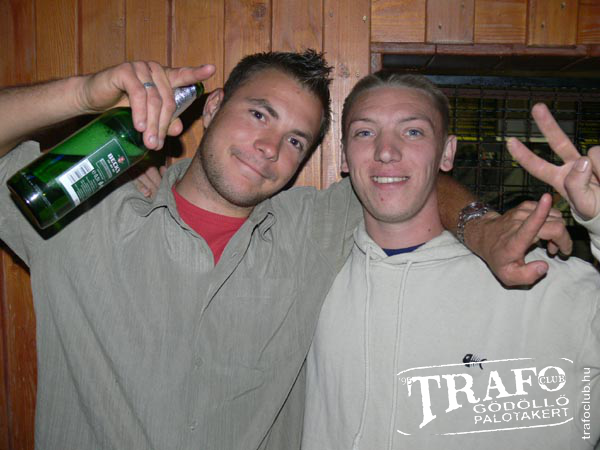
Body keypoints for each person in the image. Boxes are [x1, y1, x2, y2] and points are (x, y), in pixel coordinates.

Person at [0, 52, 571, 450]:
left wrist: (481, 228)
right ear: (213, 106)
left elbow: (403, 178)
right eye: (258, 115)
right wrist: (81, 94)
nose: (270, 147)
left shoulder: (311, 229)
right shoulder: (85, 214)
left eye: (296, 140)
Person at [301, 72, 599, 449]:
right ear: (344, 156)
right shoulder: (311, 278)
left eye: (413, 132)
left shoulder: (546, 284)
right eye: (365, 132)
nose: (386, 151)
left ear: (447, 152)